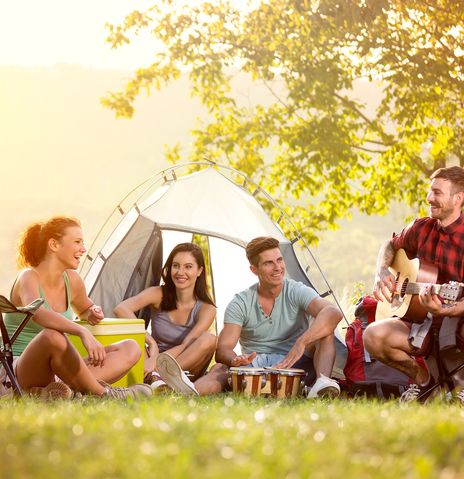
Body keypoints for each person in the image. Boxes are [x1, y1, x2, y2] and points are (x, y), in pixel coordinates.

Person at [0, 216, 152, 400]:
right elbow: (38, 313)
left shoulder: (72, 279)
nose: (83, 249)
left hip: (58, 371)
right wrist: (81, 331)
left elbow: (85, 308)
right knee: (52, 335)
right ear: (54, 245)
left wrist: (93, 312)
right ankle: (104, 394)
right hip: (18, 370)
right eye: (77, 242)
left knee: (131, 347)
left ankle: (60, 393)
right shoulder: (28, 277)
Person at [364, 165, 464, 403]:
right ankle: (425, 382)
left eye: (437, 193)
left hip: (458, 320)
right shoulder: (421, 227)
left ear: (458, 198)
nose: (430, 198)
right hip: (422, 321)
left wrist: (445, 310)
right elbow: (390, 246)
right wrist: (380, 272)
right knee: (373, 336)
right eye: (430, 191)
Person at [215, 236, 343, 398]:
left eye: (279, 260)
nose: (278, 268)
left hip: (296, 365)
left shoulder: (295, 290)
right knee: (222, 371)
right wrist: (235, 359)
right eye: (268, 263)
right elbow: (222, 349)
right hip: (257, 368)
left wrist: (301, 342)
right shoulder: (241, 302)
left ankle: (321, 385)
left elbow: (333, 312)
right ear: (254, 270)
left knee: (325, 330)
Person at [114, 242, 227, 395]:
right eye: (176, 265)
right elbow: (121, 309)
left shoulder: (207, 308)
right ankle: (155, 381)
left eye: (188, 267)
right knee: (131, 334)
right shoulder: (158, 293)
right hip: (152, 357)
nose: (180, 272)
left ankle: (160, 378)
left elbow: (187, 344)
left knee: (209, 339)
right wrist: (151, 342)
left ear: (199, 270)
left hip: (185, 365)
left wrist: (156, 363)